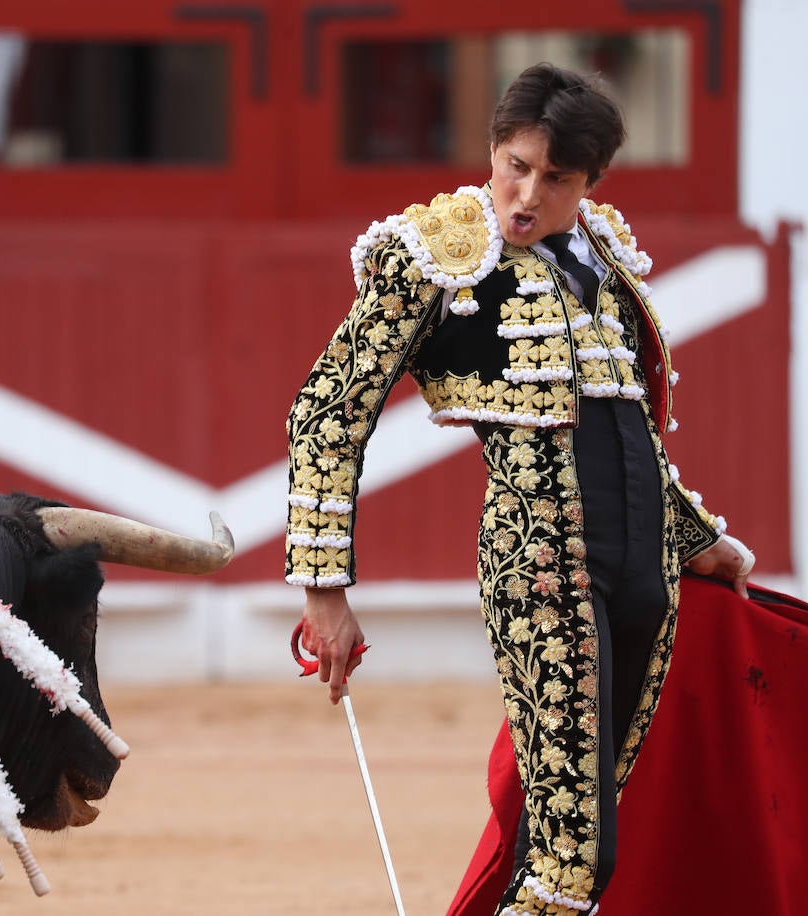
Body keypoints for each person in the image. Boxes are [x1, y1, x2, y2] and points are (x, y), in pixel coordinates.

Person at [284, 62, 755, 916]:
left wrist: (696, 539)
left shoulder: (606, 259)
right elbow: (326, 412)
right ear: (493, 152)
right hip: (543, 573)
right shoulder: (438, 255)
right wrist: (324, 590)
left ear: (590, 183)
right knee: (575, 863)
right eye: (515, 165)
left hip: (646, 582)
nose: (527, 194)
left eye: (557, 178)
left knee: (586, 837)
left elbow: (631, 434)